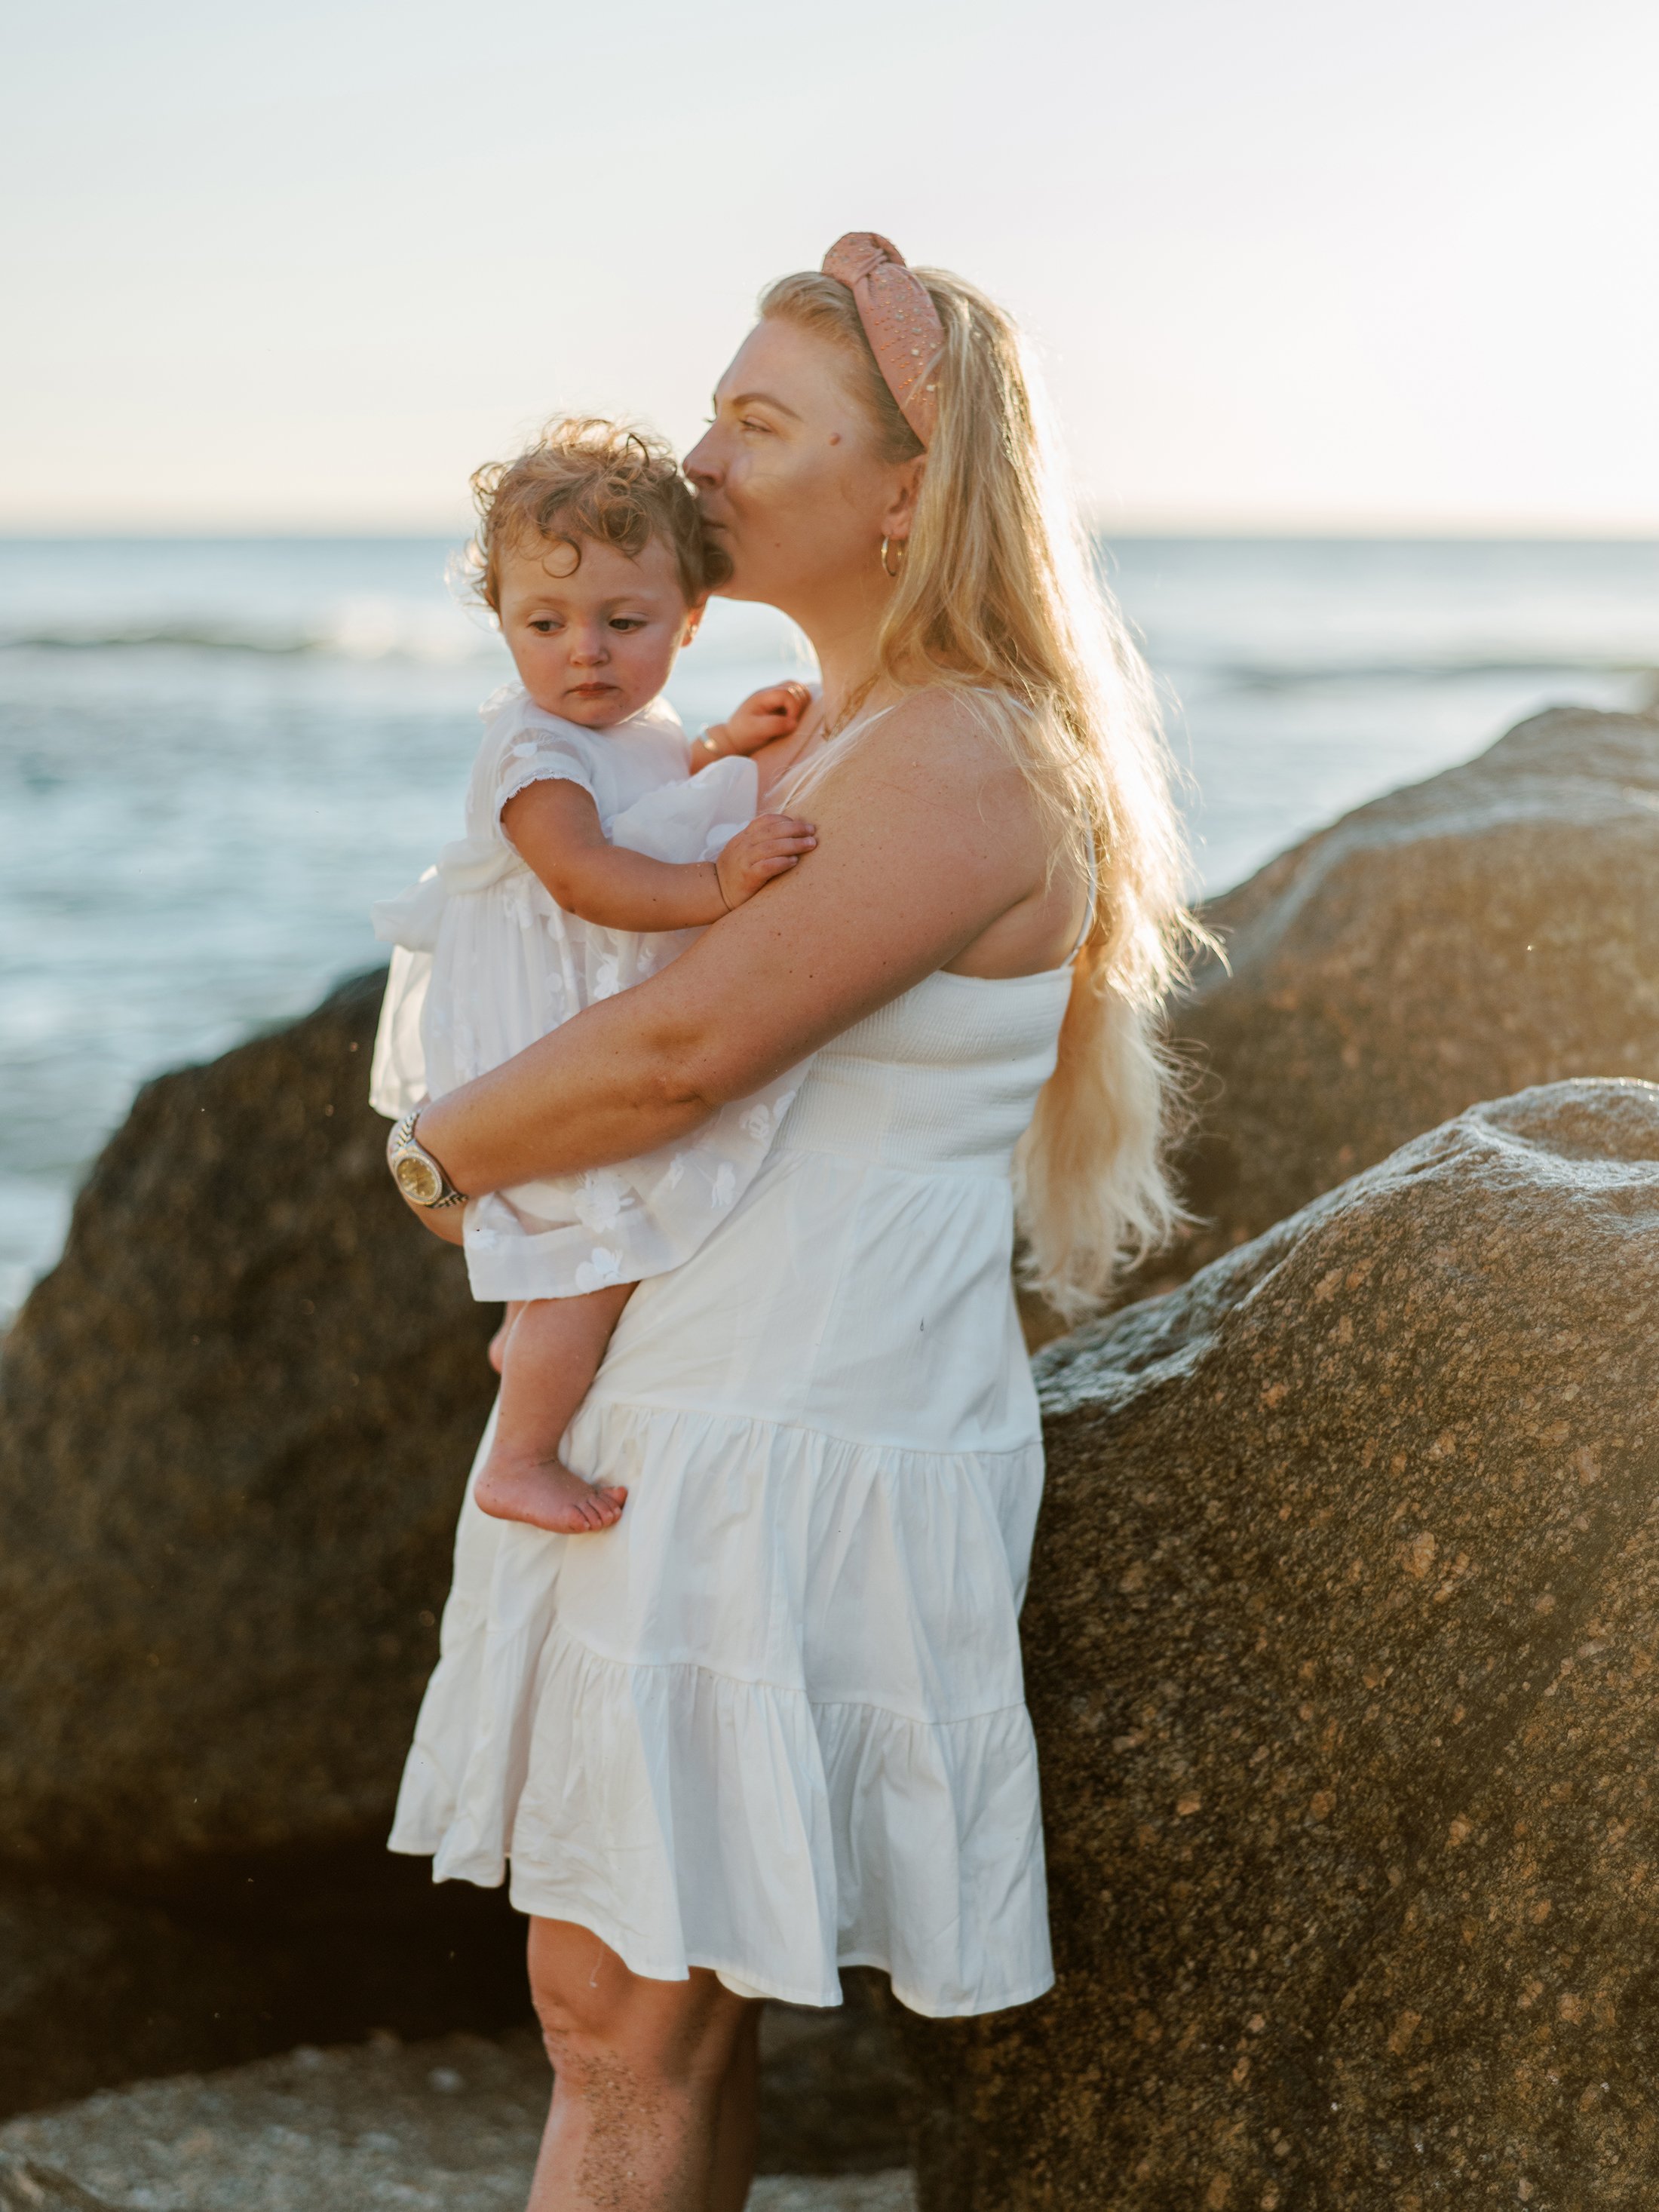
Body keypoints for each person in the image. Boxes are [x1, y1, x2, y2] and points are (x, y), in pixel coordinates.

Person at [386, 234, 1192, 2212]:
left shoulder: (963, 753)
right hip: (709, 1414)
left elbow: (677, 1055)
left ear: (908, 490)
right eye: (713, 409)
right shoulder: (824, 733)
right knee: (638, 2010)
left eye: (761, 419)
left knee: (620, 2014)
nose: (703, 455)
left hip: (787, 1425)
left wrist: (436, 1146)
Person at [370, 416, 816, 1533]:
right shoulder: (532, 750)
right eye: (545, 622)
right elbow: (587, 874)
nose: (587, 653)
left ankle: (526, 1340)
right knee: (596, 1245)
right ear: (500, 622)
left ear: (693, 617)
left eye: (627, 622)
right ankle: (516, 1454)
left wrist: (717, 748)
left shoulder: (640, 724)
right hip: (539, 1034)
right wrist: (719, 883)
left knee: (584, 1240)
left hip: (586, 1008)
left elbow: (646, 799)